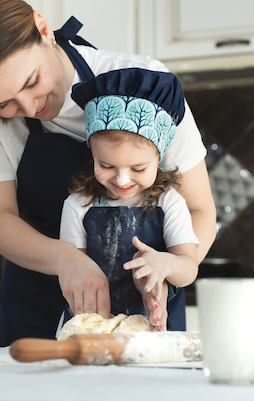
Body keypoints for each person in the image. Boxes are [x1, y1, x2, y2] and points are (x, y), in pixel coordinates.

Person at [0, 0, 217, 346]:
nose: (28, 105)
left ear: (43, 28)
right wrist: (65, 259)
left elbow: (199, 209)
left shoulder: (144, 83)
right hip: (40, 300)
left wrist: (172, 269)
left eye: (32, 81)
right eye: (4, 102)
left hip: (148, 307)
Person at [60, 68, 200, 331]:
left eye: (138, 169)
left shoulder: (169, 203)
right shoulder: (78, 205)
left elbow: (189, 269)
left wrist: (165, 264)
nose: (122, 180)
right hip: (91, 325)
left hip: (152, 327)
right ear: (91, 153)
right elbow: (73, 270)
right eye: (106, 165)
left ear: (159, 159)